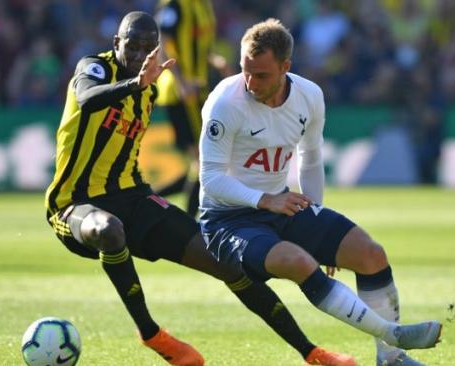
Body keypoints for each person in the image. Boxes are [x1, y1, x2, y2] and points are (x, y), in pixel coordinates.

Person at [45, 11, 355, 366]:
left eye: (148, 48)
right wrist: (135, 84)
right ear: (117, 43)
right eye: (131, 46)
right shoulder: (96, 68)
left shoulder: (151, 86)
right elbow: (86, 98)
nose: (138, 55)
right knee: (108, 230)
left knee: (227, 263)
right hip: (74, 202)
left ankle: (312, 352)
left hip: (132, 195)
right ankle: (152, 334)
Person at [198, 18, 443, 366]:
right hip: (228, 220)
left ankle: (391, 359)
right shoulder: (225, 103)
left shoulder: (309, 95)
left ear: (286, 67)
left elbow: (310, 159)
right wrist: (267, 200)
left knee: (371, 254)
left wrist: (316, 223)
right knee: (297, 260)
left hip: (280, 205)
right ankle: (394, 335)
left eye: (261, 74)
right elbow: (210, 179)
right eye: (245, 71)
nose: (250, 82)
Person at [153, 0, 232, 216]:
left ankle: (149, 198)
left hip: (199, 89)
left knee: (202, 162)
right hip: (179, 92)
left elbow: (200, 46)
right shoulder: (175, 5)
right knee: (202, 159)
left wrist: (216, 61)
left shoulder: (204, 6)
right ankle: (189, 221)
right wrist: (181, 82)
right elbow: (163, 42)